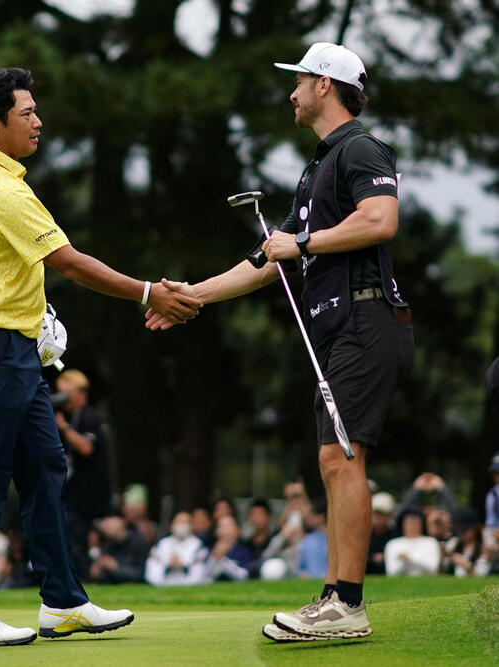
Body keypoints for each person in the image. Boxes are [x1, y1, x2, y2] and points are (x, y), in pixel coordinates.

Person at [152, 43, 413, 642]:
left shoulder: (362, 149)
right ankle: (333, 597)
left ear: (325, 85)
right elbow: (265, 261)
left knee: (341, 458)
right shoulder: (317, 168)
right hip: (344, 325)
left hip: (368, 320)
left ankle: (347, 605)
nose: (291, 93)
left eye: (298, 81)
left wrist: (303, 244)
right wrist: (193, 295)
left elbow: (380, 220)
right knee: (334, 460)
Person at [0, 67, 201, 647]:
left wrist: (38, 318)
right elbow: (70, 261)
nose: (38, 121)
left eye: (36, 111)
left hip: (15, 350)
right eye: (26, 113)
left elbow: (8, 269)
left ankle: (62, 603)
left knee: (47, 470)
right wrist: (148, 292)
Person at [54, 369, 113, 578]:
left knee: (78, 539)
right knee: (73, 538)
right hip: (77, 491)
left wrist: (64, 428)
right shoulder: (75, 417)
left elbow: (87, 447)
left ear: (81, 392)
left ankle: (83, 581)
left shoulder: (89, 416)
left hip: (89, 492)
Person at [144, 511, 208, 586]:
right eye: (179, 522)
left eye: (186, 523)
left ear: (191, 526)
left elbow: (199, 574)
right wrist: (168, 563)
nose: (182, 526)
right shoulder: (162, 544)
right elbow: (152, 573)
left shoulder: (198, 545)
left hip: (188, 582)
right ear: (172, 525)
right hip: (164, 582)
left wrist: (182, 563)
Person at [88, 516, 149, 585]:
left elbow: (141, 574)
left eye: (109, 523)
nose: (105, 526)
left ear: (121, 522)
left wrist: (116, 568)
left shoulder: (137, 542)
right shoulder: (106, 544)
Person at [384, 509, 441, 575]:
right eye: (409, 522)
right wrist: (404, 562)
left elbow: (432, 568)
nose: (412, 525)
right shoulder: (393, 544)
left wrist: (410, 558)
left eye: (415, 522)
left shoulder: (431, 542)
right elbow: (391, 572)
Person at [204, 515, 253, 582]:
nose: (225, 529)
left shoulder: (243, 550)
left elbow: (244, 576)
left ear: (237, 530)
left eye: (229, 525)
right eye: (222, 526)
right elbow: (205, 576)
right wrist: (215, 557)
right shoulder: (210, 549)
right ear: (217, 531)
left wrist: (223, 559)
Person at [243, 499, 276, 578]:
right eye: (253, 514)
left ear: (269, 517)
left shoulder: (274, 541)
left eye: (260, 514)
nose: (256, 518)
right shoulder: (245, 544)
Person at [366, 492, 398, 574]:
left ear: (389, 516)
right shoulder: (362, 535)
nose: (378, 517)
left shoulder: (395, 534)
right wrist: (373, 558)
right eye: (376, 513)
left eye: (382, 514)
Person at [297, 499, 329, 579]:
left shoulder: (336, 539)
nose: (309, 517)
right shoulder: (308, 539)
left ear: (321, 516)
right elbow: (301, 569)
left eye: (312, 514)